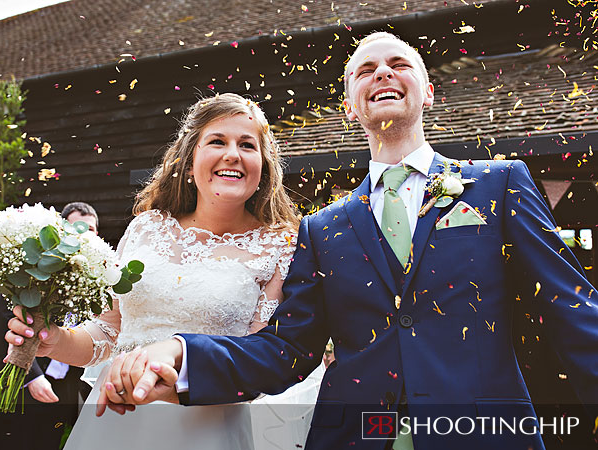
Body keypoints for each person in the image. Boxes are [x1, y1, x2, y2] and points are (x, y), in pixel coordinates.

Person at [101, 32, 598, 450]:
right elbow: (286, 351)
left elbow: (570, 306)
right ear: (348, 105)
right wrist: (182, 353)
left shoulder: (499, 183)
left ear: (427, 92)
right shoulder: (323, 229)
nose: (382, 73)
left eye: (398, 64)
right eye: (365, 70)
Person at [6, 93, 321, 449]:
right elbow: (109, 331)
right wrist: (55, 341)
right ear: (189, 162)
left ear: (263, 166)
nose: (232, 153)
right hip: (113, 420)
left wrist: (170, 384)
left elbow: (259, 363)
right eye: (217, 141)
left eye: (247, 145)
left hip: (208, 428)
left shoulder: (281, 247)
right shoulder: (147, 227)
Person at [0, 202, 99, 449]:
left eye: (90, 228)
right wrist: (31, 375)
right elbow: (9, 319)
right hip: (22, 378)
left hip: (61, 388)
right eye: (77, 227)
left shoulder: (94, 274)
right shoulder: (36, 266)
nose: (84, 233)